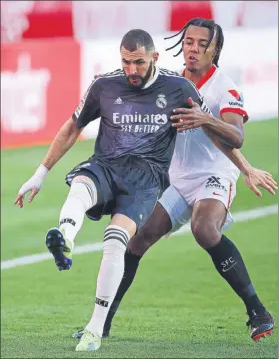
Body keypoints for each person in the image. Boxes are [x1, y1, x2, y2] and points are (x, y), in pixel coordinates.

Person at [14, 29, 221, 352]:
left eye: (138, 62)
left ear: (155, 57)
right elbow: (73, 126)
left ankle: (95, 329)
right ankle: (66, 237)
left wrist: (243, 167)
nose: (131, 70)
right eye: (125, 62)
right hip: (107, 165)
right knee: (82, 184)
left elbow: (209, 127)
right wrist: (40, 174)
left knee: (115, 241)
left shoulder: (179, 88)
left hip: (145, 179)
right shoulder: (104, 86)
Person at [72, 19, 276, 343]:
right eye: (188, 41)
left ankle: (258, 312)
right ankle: (102, 321)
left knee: (204, 229)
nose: (193, 48)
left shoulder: (225, 86)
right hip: (176, 180)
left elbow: (235, 136)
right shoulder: (169, 84)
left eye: (201, 43)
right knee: (136, 239)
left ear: (215, 49)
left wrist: (241, 162)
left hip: (214, 175)